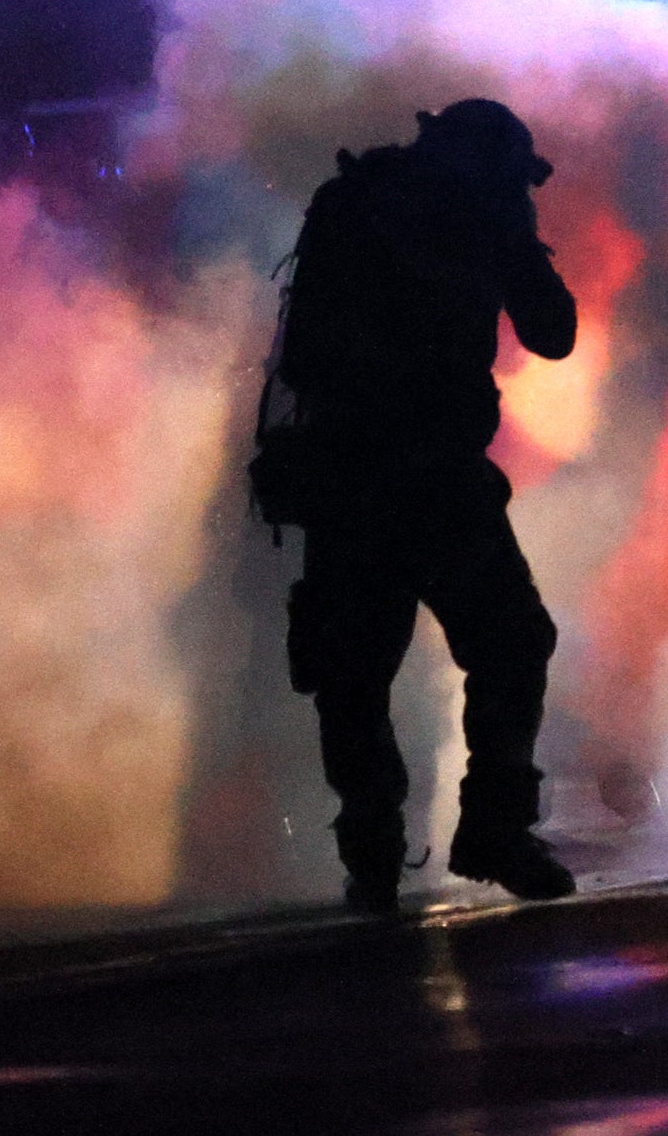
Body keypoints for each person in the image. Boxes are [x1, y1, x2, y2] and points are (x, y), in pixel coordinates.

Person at [271, 97, 580, 913]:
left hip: (357, 478)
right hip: (424, 478)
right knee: (503, 644)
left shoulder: (358, 202)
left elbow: (299, 356)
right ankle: (491, 830)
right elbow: (553, 328)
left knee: (355, 676)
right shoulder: (479, 213)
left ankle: (376, 851)